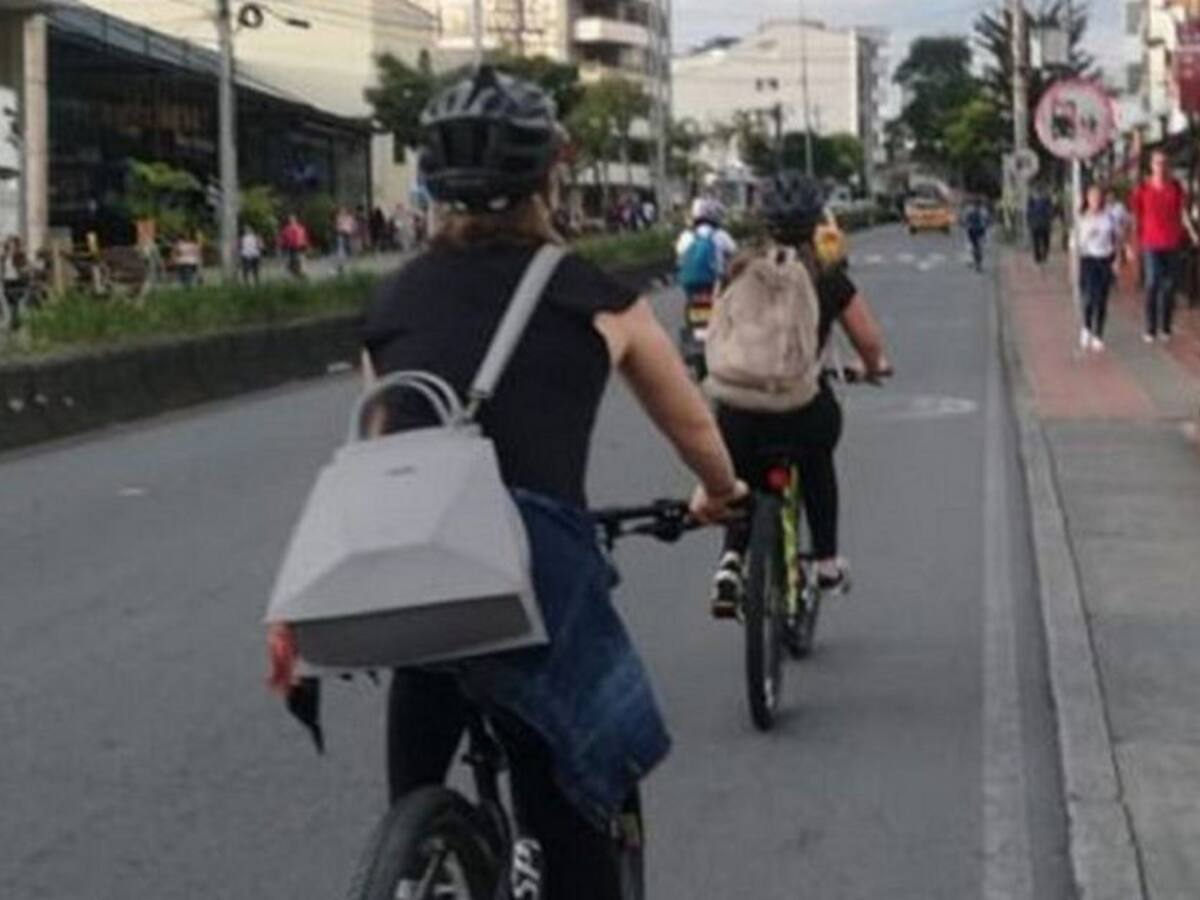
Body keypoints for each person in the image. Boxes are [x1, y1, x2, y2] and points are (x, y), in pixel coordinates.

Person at [266, 66, 745, 899]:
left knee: (418, 768)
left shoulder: (392, 301)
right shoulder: (597, 298)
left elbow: (380, 459)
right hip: (532, 583)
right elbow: (695, 428)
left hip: (416, 572)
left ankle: (423, 851)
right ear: (551, 170)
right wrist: (720, 494)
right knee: (578, 797)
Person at [708, 172, 890, 614]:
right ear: (816, 224)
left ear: (762, 222)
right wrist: (872, 368)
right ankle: (826, 563)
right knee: (816, 462)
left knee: (742, 477)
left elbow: (716, 332)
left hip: (739, 408)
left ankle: (731, 559)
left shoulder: (736, 271)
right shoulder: (829, 278)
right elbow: (868, 341)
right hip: (801, 405)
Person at [1130, 150, 1197, 343]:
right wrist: (1133, 245)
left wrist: (1192, 233)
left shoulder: (1175, 187)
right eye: (1158, 163)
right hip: (1151, 243)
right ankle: (1150, 328)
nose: (1161, 167)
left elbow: (1183, 213)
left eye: (1165, 163)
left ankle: (1165, 326)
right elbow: (1136, 218)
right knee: (1152, 284)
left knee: (1169, 287)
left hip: (1172, 242)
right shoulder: (1142, 189)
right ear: (1151, 165)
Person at [1074, 184, 1123, 352]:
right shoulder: (1081, 219)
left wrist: (1117, 259)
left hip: (1104, 259)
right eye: (1092, 197)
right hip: (1088, 259)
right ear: (1087, 199)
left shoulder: (1108, 217)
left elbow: (1117, 238)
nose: (1095, 200)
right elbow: (1075, 244)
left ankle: (1098, 334)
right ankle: (1086, 327)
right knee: (1089, 297)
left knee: (1102, 299)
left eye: (1098, 197)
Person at [675, 197, 737, 304]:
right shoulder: (720, 235)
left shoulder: (686, 235)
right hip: (713, 280)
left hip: (688, 280)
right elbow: (734, 250)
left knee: (691, 299)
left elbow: (679, 252)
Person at [961, 196, 990, 271]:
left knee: (974, 246)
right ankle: (978, 263)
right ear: (981, 204)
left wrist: (965, 224)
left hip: (972, 231)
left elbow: (965, 220)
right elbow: (988, 221)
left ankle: (976, 262)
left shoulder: (969, 210)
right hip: (980, 230)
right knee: (979, 247)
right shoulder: (984, 211)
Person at [1027, 186, 1055, 264]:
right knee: (1045, 241)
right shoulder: (1047, 198)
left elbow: (1029, 212)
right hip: (1045, 224)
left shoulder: (1031, 199)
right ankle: (1044, 256)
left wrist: (1029, 222)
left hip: (1035, 224)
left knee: (1036, 242)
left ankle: (1037, 257)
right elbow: (1051, 211)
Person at [279, 214, 309, 279]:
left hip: (298, 248)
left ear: (295, 220)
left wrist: (305, 245)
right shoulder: (286, 229)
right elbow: (283, 239)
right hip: (291, 248)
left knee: (298, 262)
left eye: (293, 219)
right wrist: (283, 246)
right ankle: (298, 275)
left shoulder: (300, 228)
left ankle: (300, 275)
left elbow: (304, 238)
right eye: (291, 220)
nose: (292, 221)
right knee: (292, 263)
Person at [334, 206, 356, 274]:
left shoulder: (349, 218)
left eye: (343, 211)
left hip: (347, 235)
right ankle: (341, 266)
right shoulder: (339, 218)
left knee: (348, 249)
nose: (342, 212)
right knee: (341, 250)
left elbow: (353, 226)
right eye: (341, 211)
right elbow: (337, 226)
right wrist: (339, 228)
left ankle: (345, 265)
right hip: (341, 234)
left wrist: (351, 231)